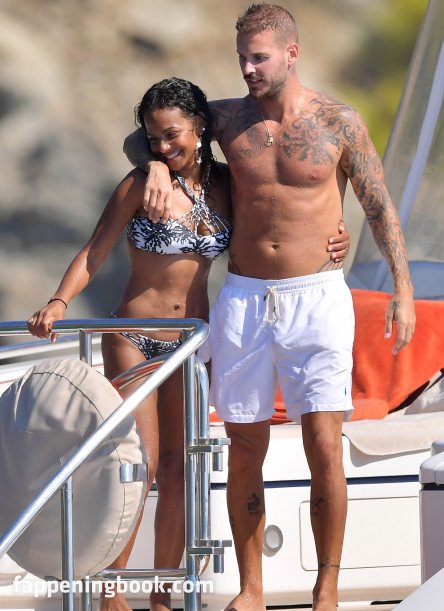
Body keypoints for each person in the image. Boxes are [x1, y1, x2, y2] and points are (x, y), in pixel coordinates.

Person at [123, 5, 416, 611]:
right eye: (242, 58)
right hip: (246, 298)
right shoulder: (226, 119)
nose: (248, 69)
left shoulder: (338, 122)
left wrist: (403, 289)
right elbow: (153, 135)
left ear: (291, 53)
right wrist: (152, 162)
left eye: (259, 57)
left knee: (324, 445)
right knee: (244, 446)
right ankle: (251, 590)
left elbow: (378, 204)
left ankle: (326, 590)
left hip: (316, 296)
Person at [27, 76, 349, 611]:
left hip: (190, 342)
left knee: (180, 468)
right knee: (140, 463)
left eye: (171, 135)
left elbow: (281, 214)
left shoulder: (227, 184)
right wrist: (60, 302)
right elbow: (94, 251)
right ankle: (111, 590)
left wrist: (334, 236)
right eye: (153, 139)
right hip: (132, 336)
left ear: (199, 127)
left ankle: (161, 596)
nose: (163, 147)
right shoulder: (140, 184)